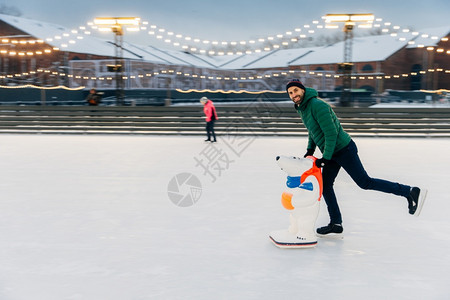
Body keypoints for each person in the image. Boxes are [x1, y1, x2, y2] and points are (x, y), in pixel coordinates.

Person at [285, 79, 427, 238]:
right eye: (290, 93)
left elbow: (331, 133)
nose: (293, 95)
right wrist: (310, 149)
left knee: (365, 182)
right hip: (331, 152)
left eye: (296, 90)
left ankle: (409, 191)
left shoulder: (317, 105)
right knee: (325, 186)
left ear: (303, 90)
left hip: (344, 150)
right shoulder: (302, 108)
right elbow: (312, 130)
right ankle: (336, 224)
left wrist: (325, 158)